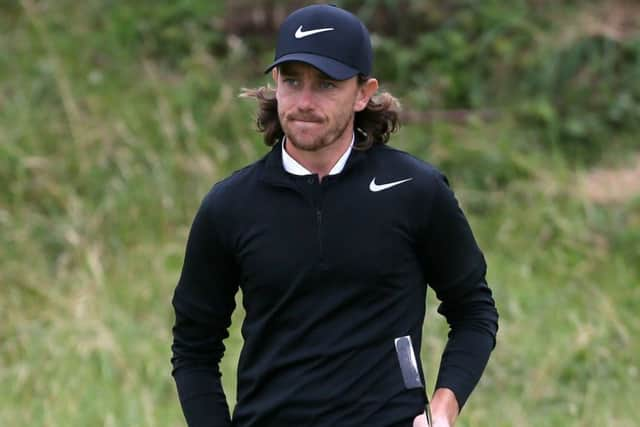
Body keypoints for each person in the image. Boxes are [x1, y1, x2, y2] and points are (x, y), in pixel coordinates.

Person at [171, 4, 498, 427]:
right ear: (275, 83)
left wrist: (442, 408)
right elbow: (194, 347)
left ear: (363, 92)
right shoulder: (229, 206)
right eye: (292, 81)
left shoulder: (415, 190)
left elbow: (473, 309)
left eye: (326, 84)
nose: (304, 102)